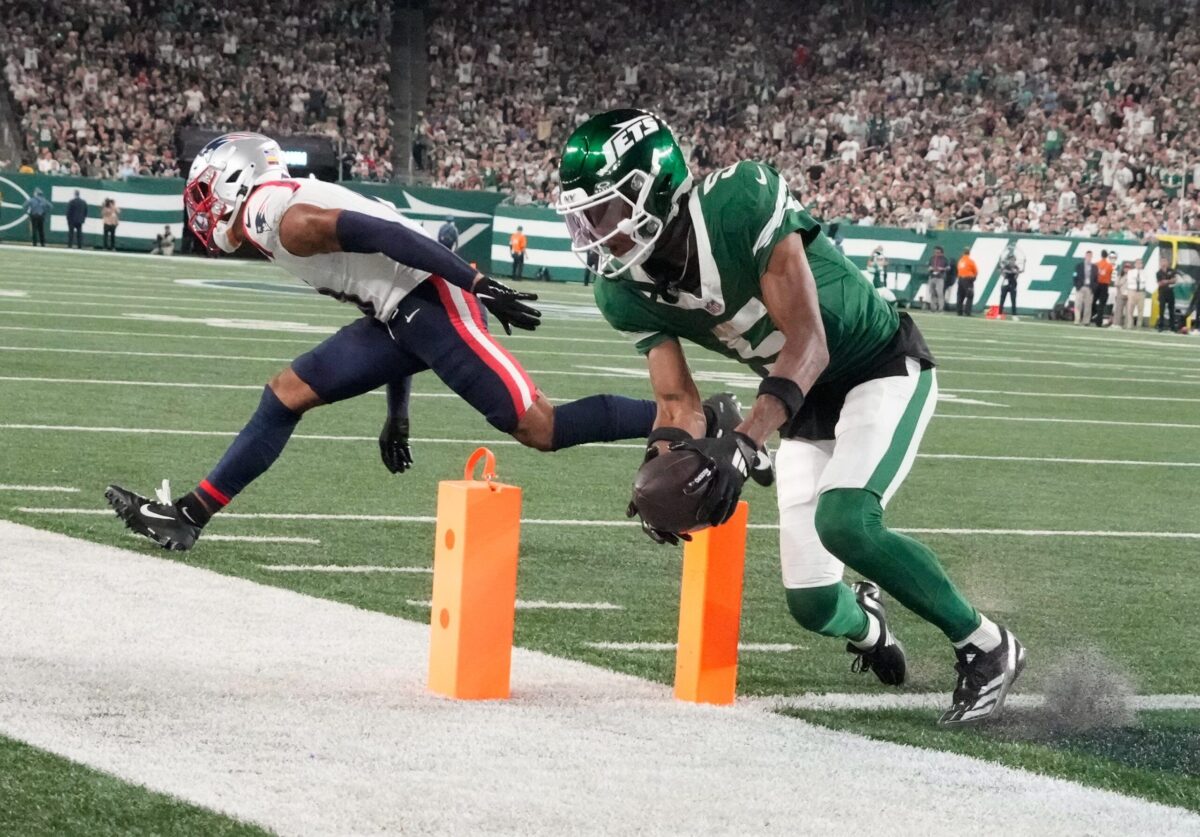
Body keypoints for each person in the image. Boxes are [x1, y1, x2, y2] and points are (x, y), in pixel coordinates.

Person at [557, 109, 1025, 726]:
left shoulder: (737, 203)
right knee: (811, 603)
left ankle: (987, 646)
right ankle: (869, 624)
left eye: (605, 212)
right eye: (583, 217)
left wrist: (745, 441)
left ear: (657, 188)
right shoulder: (622, 290)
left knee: (846, 522)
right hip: (802, 404)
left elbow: (809, 343)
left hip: (876, 366)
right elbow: (676, 402)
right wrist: (663, 465)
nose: (594, 232)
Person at [106, 132, 659, 553]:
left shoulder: (280, 219)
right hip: (402, 313)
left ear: (235, 180)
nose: (200, 208)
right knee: (285, 394)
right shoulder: (273, 210)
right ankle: (188, 515)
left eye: (205, 192)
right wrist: (398, 414)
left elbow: (387, 236)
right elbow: (383, 293)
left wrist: (477, 283)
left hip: (434, 301)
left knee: (540, 427)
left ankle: (682, 416)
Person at [998, 243, 1024, 317]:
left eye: (1013, 260)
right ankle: (999, 314)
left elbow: (1017, 275)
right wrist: (1009, 272)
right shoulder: (1006, 266)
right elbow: (1002, 272)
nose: (1012, 261)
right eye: (1011, 259)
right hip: (1005, 283)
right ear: (1008, 260)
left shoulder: (1016, 267)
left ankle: (1014, 315)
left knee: (1013, 299)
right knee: (1002, 299)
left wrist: (1016, 273)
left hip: (1013, 283)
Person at [1121, 258, 1148, 329]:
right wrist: (1137, 279)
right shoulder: (1130, 272)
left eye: (1140, 263)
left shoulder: (1144, 272)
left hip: (1141, 292)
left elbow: (1144, 280)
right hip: (1132, 291)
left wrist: (1137, 279)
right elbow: (1130, 281)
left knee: (1140, 309)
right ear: (1135, 264)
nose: (1139, 264)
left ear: (1142, 264)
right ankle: (1130, 324)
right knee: (1130, 309)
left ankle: (1139, 325)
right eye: (1137, 263)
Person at [1073, 250, 1097, 325]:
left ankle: (1086, 321)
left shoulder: (1094, 267)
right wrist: (1077, 286)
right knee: (1078, 304)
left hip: (1089, 287)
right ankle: (1077, 320)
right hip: (1080, 287)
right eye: (1087, 256)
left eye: (1090, 256)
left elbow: (1096, 279)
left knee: (1088, 306)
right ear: (1085, 256)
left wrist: (1093, 287)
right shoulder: (1079, 266)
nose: (1089, 257)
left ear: (1092, 257)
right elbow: (1074, 276)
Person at [1156, 257, 1178, 332]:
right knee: (1161, 310)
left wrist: (1166, 281)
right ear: (1160, 263)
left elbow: (1174, 280)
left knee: (1171, 310)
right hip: (1162, 293)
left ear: (1167, 262)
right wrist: (1169, 281)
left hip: (1170, 292)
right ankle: (1161, 326)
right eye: (1162, 261)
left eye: (1165, 261)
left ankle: (1172, 327)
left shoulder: (1171, 270)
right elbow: (1160, 283)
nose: (1163, 263)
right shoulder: (1158, 272)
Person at [925, 245, 948, 312]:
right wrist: (930, 268)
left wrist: (942, 269)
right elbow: (928, 266)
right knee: (932, 293)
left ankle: (940, 308)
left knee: (940, 293)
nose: (936, 254)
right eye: (935, 252)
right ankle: (933, 308)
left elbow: (948, 268)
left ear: (941, 253)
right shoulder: (932, 258)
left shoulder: (944, 259)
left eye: (938, 252)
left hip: (940, 278)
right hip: (932, 277)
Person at [1093, 250, 1113, 326]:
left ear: (1101, 255)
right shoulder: (1109, 265)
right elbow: (1110, 275)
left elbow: (1094, 275)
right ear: (1107, 256)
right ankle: (1099, 322)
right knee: (1102, 304)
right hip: (1104, 286)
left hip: (1096, 285)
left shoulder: (1096, 264)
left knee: (1093, 301)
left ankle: (1093, 315)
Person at [955, 246, 978, 316]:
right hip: (968, 279)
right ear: (969, 253)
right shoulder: (970, 261)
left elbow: (958, 270)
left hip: (960, 279)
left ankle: (959, 311)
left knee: (960, 295)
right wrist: (974, 277)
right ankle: (967, 312)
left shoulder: (960, 261)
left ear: (963, 253)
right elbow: (976, 271)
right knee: (970, 295)